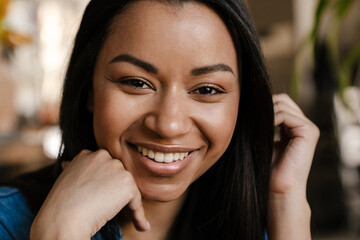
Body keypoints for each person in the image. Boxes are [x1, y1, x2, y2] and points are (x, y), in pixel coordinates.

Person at [0, 0, 320, 239]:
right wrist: (60, 232)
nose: (168, 125)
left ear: (243, 103)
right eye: (136, 83)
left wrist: (286, 203)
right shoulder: (7, 222)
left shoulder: (257, 224)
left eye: (207, 89)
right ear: (89, 90)